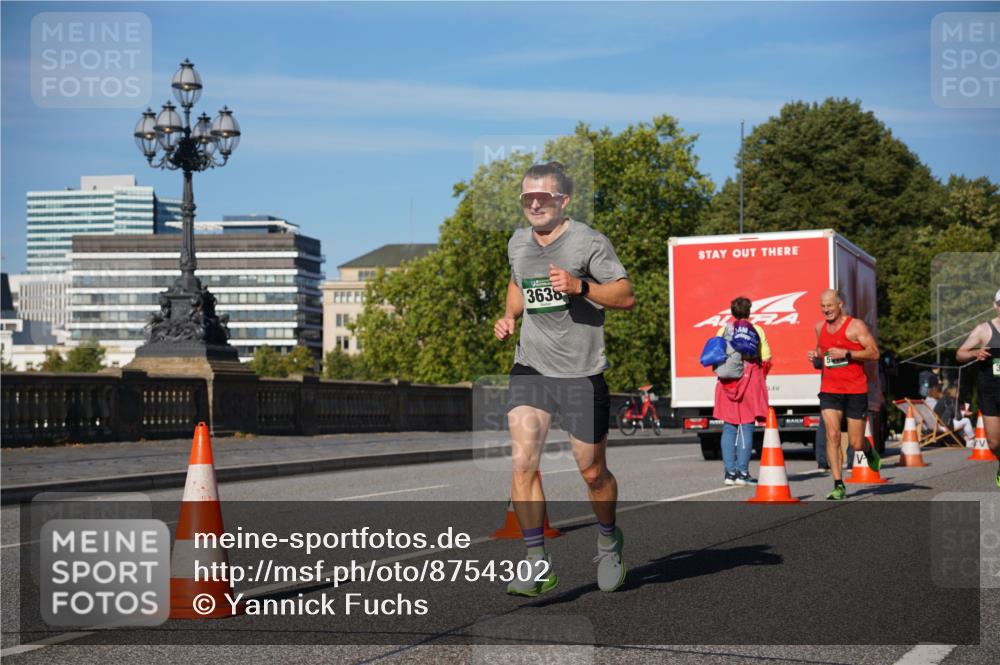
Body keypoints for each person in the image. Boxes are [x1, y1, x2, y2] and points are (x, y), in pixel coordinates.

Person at [494, 161, 635, 596]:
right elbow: (517, 284)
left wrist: (581, 287)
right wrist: (509, 315)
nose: (534, 204)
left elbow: (626, 296)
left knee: (592, 471)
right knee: (522, 462)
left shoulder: (589, 242)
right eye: (527, 198)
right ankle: (537, 563)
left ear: (563, 201)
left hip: (581, 372)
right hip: (531, 365)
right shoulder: (518, 242)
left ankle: (609, 541)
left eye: (544, 197)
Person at [806, 289, 881, 500]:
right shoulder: (819, 328)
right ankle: (838, 484)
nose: (826, 310)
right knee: (832, 435)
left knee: (856, 443)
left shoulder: (856, 326)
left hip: (855, 389)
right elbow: (822, 357)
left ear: (840, 304)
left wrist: (847, 353)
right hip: (830, 389)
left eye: (829, 305)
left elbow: (874, 353)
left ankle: (868, 450)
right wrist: (815, 357)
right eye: (823, 306)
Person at [712, 297, 771, 485]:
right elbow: (767, 357)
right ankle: (743, 473)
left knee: (729, 427)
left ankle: (729, 474)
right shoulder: (757, 330)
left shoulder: (723, 330)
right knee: (746, 426)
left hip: (727, 382)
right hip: (749, 380)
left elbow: (716, 354)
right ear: (749, 312)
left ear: (732, 312)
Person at [955, 289, 1000, 488]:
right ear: (995, 305)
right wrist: (975, 353)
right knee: (994, 443)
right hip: (990, 391)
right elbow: (960, 354)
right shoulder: (984, 329)